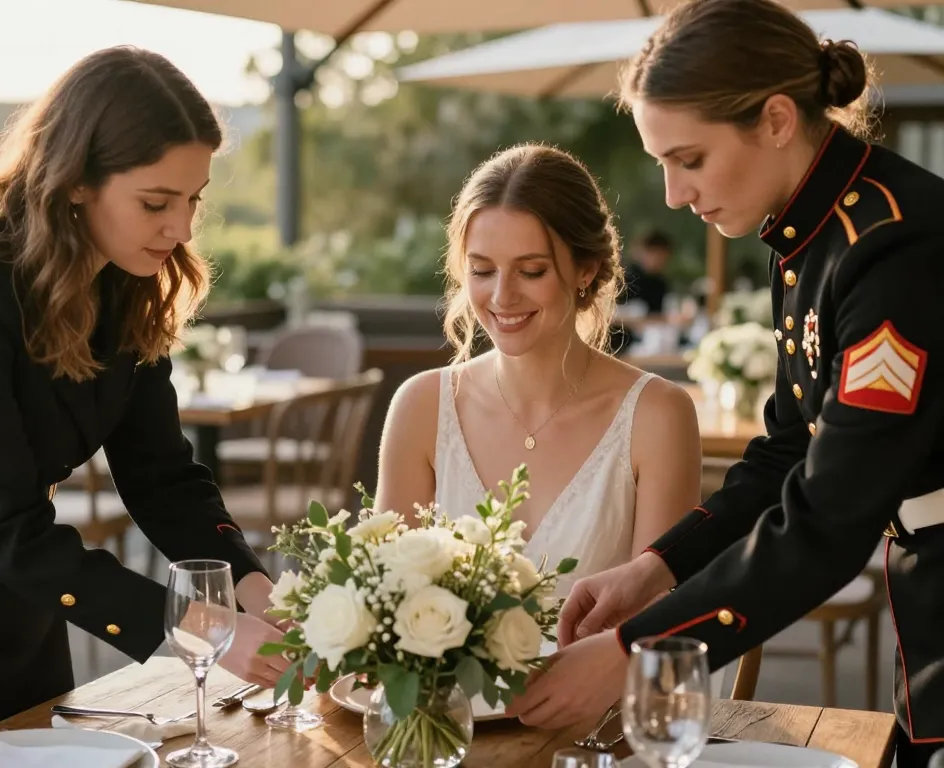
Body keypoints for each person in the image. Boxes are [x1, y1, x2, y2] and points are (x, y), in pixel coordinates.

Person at [505, 2, 944, 765]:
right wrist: (656, 568)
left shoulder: (894, 244)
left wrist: (639, 651)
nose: (674, 194)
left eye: (690, 159)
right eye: (661, 164)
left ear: (776, 119)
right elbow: (786, 452)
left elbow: (830, 512)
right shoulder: (803, 237)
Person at [0, 46, 290, 751]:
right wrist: (202, 629)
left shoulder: (129, 289)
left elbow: (161, 478)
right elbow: (5, 527)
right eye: (156, 202)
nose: (181, 229)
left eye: (192, 201)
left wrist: (253, 588)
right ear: (78, 181)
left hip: (27, 604)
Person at [374, 143, 702, 613]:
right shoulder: (421, 407)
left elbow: (658, 626)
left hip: (607, 686)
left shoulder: (657, 416)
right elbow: (386, 606)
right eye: (482, 270)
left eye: (531, 271)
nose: (503, 296)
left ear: (585, 270)